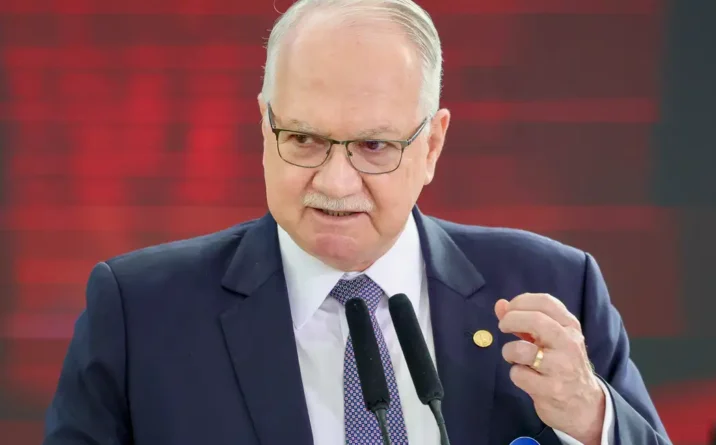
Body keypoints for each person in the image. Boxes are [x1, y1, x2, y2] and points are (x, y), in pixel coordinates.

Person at [42, 0, 672, 444]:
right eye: (305, 139)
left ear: (431, 145)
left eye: (374, 146)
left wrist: (592, 419)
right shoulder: (141, 311)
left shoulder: (553, 285)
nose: (335, 182)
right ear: (264, 127)